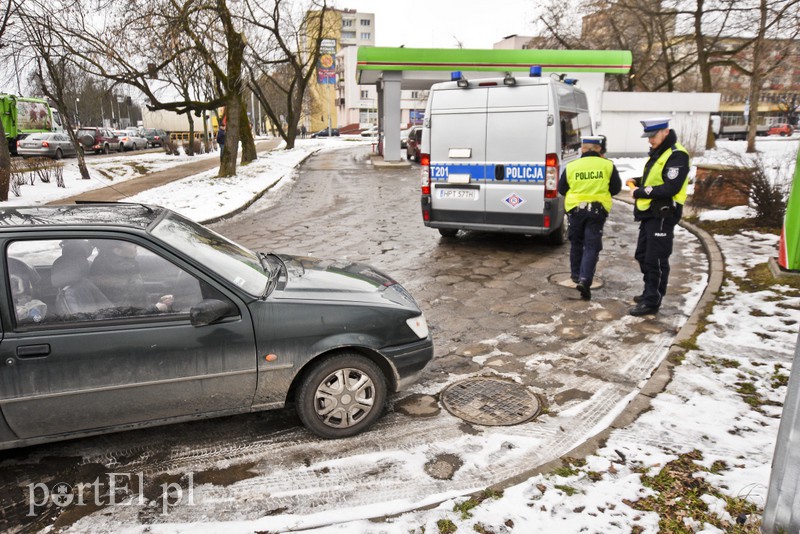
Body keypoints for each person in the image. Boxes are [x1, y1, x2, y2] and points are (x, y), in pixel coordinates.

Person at [627, 117, 691, 316]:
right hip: (650, 214)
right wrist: (637, 180)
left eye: (653, 136)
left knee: (656, 259)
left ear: (665, 131)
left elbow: (670, 186)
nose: (650, 140)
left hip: (663, 214)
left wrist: (639, 192)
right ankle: (649, 291)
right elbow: (655, 179)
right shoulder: (659, 152)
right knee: (643, 255)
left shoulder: (677, 155)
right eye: (648, 137)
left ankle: (652, 300)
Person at [558, 135, 621, 300]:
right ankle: (586, 280)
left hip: (576, 211)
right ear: (599, 148)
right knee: (591, 246)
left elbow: (562, 188)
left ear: (583, 149)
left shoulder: (572, 166)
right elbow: (615, 188)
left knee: (576, 243)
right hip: (597, 211)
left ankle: (575, 275)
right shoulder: (608, 166)